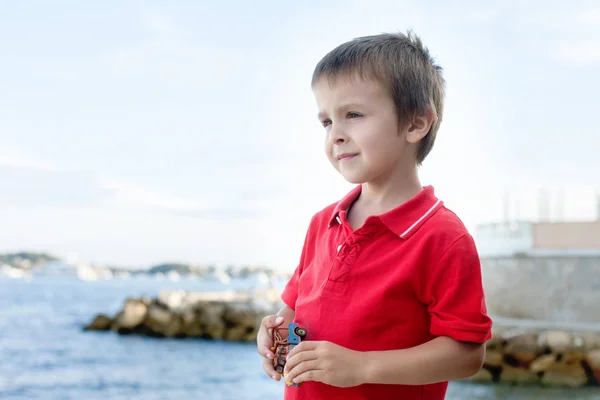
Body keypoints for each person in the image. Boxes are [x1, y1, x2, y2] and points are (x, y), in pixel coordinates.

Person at [257, 30, 493, 400]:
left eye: (352, 115)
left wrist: (362, 367)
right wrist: (275, 333)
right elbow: (294, 311)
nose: (335, 134)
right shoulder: (322, 224)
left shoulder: (443, 238)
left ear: (416, 123)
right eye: (326, 122)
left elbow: (466, 354)